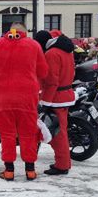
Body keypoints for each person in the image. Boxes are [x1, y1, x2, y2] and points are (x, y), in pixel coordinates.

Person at [0, 23, 47, 182]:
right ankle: (30, 170)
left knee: (6, 134)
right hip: (27, 96)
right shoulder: (33, 45)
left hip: (2, 96)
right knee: (28, 133)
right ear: (24, 31)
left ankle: (9, 170)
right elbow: (43, 71)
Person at [35, 30, 76, 176]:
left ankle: (62, 165)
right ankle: (64, 162)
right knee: (62, 132)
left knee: (58, 135)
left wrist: (46, 102)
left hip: (56, 98)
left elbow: (52, 81)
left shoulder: (52, 54)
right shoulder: (67, 51)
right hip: (66, 95)